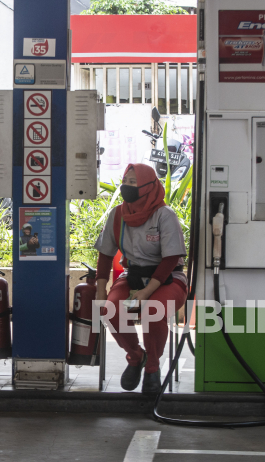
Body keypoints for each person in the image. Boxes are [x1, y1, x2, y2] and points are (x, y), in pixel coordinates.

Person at [93, 163, 188, 395]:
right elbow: (105, 255)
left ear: (149, 186)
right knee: (111, 311)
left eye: (133, 182)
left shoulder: (164, 215)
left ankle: (152, 368)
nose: (127, 186)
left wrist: (146, 293)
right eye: (125, 181)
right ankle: (136, 357)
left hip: (168, 278)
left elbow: (170, 258)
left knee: (152, 310)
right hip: (133, 275)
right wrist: (100, 289)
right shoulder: (118, 215)